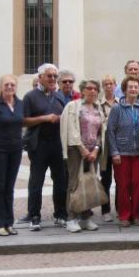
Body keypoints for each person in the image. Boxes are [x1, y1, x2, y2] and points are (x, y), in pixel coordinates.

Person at [21, 63, 68, 231]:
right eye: (49, 76)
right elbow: (24, 120)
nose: (53, 79)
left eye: (55, 76)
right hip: (38, 144)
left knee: (61, 181)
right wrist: (45, 118)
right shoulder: (30, 97)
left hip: (57, 144)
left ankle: (61, 214)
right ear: (40, 77)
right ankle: (34, 216)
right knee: (36, 182)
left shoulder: (60, 96)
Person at [61, 78, 106, 233]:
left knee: (89, 183)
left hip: (93, 152)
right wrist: (82, 149)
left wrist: (95, 150)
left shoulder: (98, 108)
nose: (92, 91)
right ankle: (71, 218)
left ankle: (86, 218)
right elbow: (71, 129)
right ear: (82, 90)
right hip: (76, 150)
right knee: (75, 183)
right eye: (89, 88)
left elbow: (101, 132)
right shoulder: (73, 107)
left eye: (95, 88)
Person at [107, 76, 139, 226]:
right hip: (122, 154)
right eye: (130, 87)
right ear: (124, 90)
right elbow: (110, 132)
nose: (133, 89)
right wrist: (114, 152)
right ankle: (125, 215)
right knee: (123, 185)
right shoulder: (116, 109)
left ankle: (136, 214)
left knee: (138, 185)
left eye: (136, 87)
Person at [0, 75, 24, 236]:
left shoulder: (20, 104)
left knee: (10, 187)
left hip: (15, 150)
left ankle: (9, 222)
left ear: (16, 87)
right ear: (1, 87)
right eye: (6, 84)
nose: (9, 87)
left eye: (12, 85)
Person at [98, 75, 118, 222]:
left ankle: (119, 207)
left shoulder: (120, 103)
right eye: (106, 84)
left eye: (111, 83)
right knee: (105, 179)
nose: (109, 86)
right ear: (103, 87)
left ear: (115, 85)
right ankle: (105, 210)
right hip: (104, 148)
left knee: (120, 179)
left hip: (119, 146)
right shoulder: (98, 104)